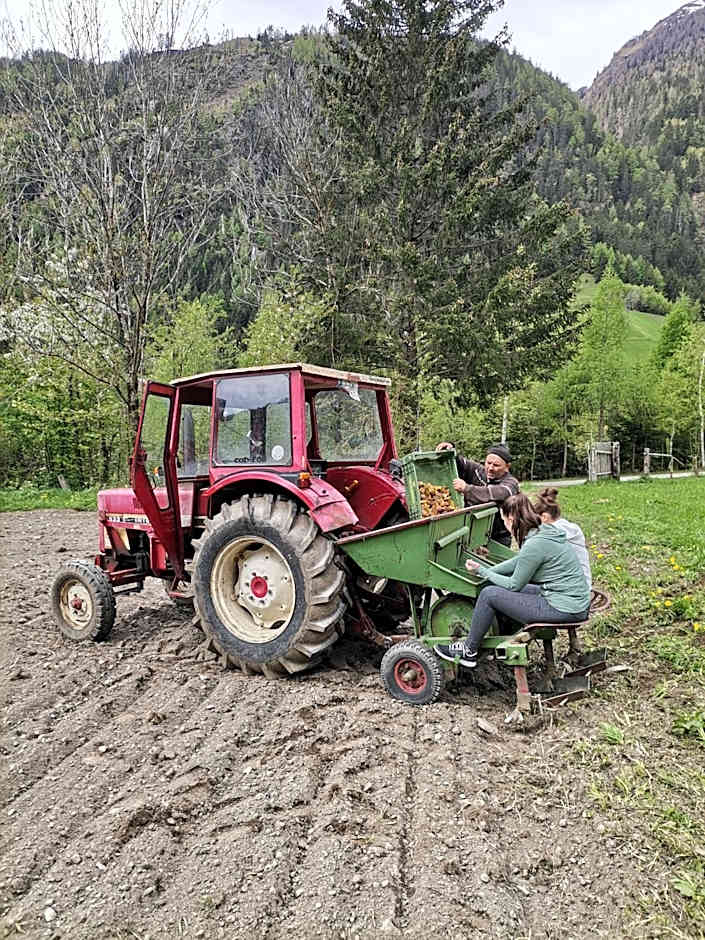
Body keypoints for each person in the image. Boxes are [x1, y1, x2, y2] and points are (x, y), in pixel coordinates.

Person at [434, 493, 590, 668]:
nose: (506, 526)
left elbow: (514, 584)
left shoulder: (534, 544)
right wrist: (486, 570)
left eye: (504, 520)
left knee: (488, 594)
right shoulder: (544, 531)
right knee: (506, 588)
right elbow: (519, 561)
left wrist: (484, 572)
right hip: (573, 601)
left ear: (511, 518)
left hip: (565, 608)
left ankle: (469, 651)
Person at [435, 441, 519, 546]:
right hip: (472, 534)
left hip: (498, 538)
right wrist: (450, 450)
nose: (490, 468)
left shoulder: (511, 483)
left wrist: (467, 489)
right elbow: (462, 463)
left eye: (496, 465)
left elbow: (496, 493)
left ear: (507, 466)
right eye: (488, 463)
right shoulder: (479, 471)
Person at [532, 487, 592, 590]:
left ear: (544, 517)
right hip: (580, 583)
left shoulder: (554, 533)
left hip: (572, 589)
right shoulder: (569, 527)